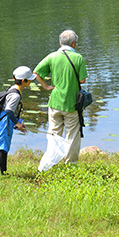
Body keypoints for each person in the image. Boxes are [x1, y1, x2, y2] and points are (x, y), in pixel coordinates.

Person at [33, 29, 88, 164]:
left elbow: (36, 73)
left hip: (55, 102)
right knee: (72, 135)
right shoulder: (78, 58)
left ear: (60, 42)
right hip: (72, 103)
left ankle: (52, 162)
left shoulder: (52, 56)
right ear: (74, 44)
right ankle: (70, 164)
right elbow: (82, 80)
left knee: (54, 135)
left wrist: (46, 87)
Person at [0, 66, 34, 179]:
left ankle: (4, 171)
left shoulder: (13, 89)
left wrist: (18, 122)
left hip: (5, 120)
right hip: (4, 121)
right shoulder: (16, 95)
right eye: (29, 79)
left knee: (4, 147)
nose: (31, 81)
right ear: (24, 81)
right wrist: (16, 123)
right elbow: (8, 110)